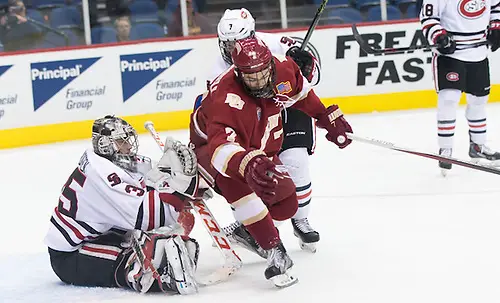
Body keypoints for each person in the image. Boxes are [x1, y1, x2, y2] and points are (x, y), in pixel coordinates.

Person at [189, 36, 353, 288]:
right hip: (212, 151)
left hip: (259, 149)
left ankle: (248, 232)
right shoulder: (225, 96)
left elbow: (302, 94)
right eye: (250, 77)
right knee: (242, 188)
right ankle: (274, 250)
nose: (257, 82)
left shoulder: (283, 68)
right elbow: (221, 149)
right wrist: (247, 164)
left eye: (262, 74)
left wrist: (326, 117)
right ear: (238, 72)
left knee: (286, 204)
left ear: (270, 65)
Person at [45, 115, 201, 295]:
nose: (128, 146)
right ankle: (146, 275)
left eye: (128, 140)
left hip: (100, 235)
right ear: (105, 144)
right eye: (121, 141)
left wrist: (168, 173)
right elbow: (150, 216)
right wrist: (182, 188)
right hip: (72, 255)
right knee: (145, 263)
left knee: (165, 236)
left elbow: (148, 176)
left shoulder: (106, 160)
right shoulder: (103, 175)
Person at [210, 8, 321, 253]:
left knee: (296, 163)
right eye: (226, 45)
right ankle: (248, 226)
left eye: (237, 43)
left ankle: (300, 220)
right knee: (243, 171)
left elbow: (312, 79)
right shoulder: (216, 70)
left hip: (287, 109)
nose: (232, 51)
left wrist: (306, 65)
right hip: (252, 119)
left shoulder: (277, 44)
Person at [419, 0, 500, 175]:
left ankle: (478, 146)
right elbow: (428, 18)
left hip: (479, 53)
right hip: (450, 56)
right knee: (449, 98)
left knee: (478, 101)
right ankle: (445, 150)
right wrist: (439, 36)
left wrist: (496, 26)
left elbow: (496, 7)